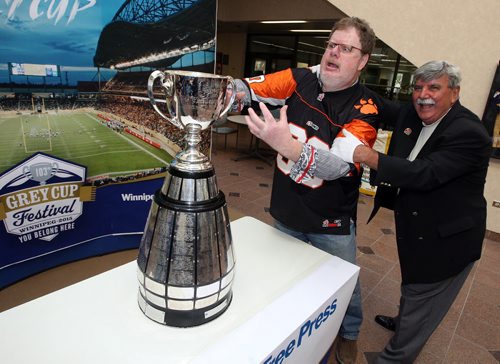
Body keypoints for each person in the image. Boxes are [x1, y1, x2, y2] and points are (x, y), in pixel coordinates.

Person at [235, 17, 391, 364]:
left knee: (343, 282)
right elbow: (249, 88)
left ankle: (349, 334)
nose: (334, 53)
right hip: (288, 206)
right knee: (285, 274)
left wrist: (287, 146)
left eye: (346, 48)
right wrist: (223, 91)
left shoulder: (365, 107)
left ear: (363, 60)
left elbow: (338, 166)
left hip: (330, 217)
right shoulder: (299, 78)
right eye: (331, 44)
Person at [342, 60, 491, 363]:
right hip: (418, 228)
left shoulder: (469, 132)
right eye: (418, 87)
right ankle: (406, 319)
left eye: (434, 87)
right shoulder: (413, 113)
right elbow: (379, 104)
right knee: (413, 285)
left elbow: (425, 173)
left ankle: (397, 353)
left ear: (454, 93)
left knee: (422, 292)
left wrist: (366, 156)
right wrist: (343, 75)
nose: (424, 95)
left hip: (448, 240)